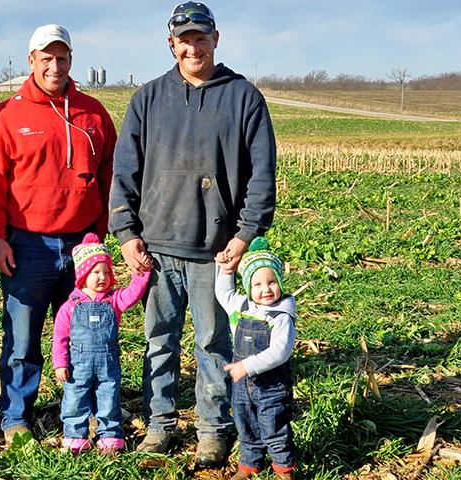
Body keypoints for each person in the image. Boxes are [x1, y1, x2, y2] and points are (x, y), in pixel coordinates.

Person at [108, 1, 278, 467]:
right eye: (184, 39)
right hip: (156, 249)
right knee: (158, 341)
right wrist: (126, 233)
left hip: (216, 252)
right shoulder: (147, 98)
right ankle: (160, 425)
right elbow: (124, 172)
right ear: (171, 44)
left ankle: (212, 429)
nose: (192, 47)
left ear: (215, 40)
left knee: (212, 344)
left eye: (200, 38)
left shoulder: (243, 98)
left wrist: (244, 237)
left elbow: (262, 177)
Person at [0, 24, 118, 444]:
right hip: (27, 243)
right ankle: (16, 417)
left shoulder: (93, 113)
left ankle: (83, 414)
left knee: (86, 335)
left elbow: (110, 174)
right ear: (31, 61)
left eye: (61, 58)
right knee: (23, 337)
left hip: (82, 244)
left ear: (71, 60)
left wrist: (101, 231)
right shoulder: (9, 115)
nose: (54, 66)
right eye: (46, 58)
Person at [51, 233, 151, 455]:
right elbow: (60, 337)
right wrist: (60, 363)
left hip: (108, 363)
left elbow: (133, 294)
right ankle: (75, 436)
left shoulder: (113, 300)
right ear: (83, 274)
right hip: (78, 365)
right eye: (95, 272)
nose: (102, 277)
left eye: (106, 272)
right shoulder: (71, 306)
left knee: (108, 397)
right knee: (75, 399)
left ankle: (110, 436)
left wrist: (141, 275)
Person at [215, 239, 298, 480]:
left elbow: (280, 352)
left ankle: (284, 467)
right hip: (242, 387)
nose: (266, 289)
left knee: (274, 426)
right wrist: (226, 270)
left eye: (272, 282)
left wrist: (247, 366)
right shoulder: (241, 305)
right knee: (245, 423)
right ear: (248, 285)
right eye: (258, 283)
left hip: (271, 385)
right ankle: (249, 464)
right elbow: (223, 292)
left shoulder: (281, 316)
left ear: (280, 282)